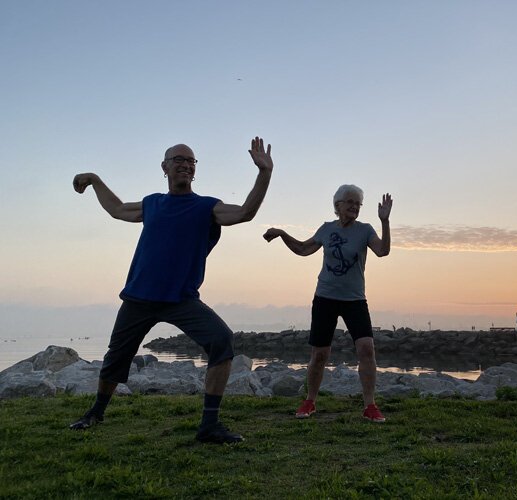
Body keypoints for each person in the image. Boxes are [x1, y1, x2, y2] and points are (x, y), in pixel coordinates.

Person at [68, 137, 273, 444]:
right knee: (116, 356)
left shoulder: (206, 207)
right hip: (139, 296)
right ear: (164, 167)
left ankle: (209, 425)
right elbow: (118, 209)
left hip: (182, 299)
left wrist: (264, 174)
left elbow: (245, 212)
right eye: (178, 159)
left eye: (190, 161)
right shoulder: (153, 203)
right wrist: (96, 180)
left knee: (221, 341)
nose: (185, 164)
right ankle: (96, 412)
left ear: (194, 171)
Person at [263, 185, 392, 422]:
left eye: (358, 204)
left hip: (355, 300)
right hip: (325, 298)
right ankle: (310, 401)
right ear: (337, 206)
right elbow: (303, 249)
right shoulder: (326, 229)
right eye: (349, 202)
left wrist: (385, 221)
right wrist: (282, 234)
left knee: (366, 349)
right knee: (320, 354)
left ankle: (370, 405)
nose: (354, 206)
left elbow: (382, 251)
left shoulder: (365, 230)